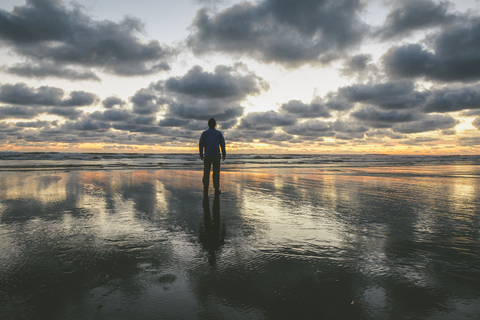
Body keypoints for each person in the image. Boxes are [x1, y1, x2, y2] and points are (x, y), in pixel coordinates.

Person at [199, 118, 226, 195]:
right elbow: (222, 144)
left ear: (208, 124)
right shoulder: (218, 133)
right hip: (216, 155)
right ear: (215, 125)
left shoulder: (204, 133)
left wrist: (201, 154)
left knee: (206, 172)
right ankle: (216, 189)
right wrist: (224, 154)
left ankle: (205, 189)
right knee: (216, 173)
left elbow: (201, 145)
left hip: (207, 155)